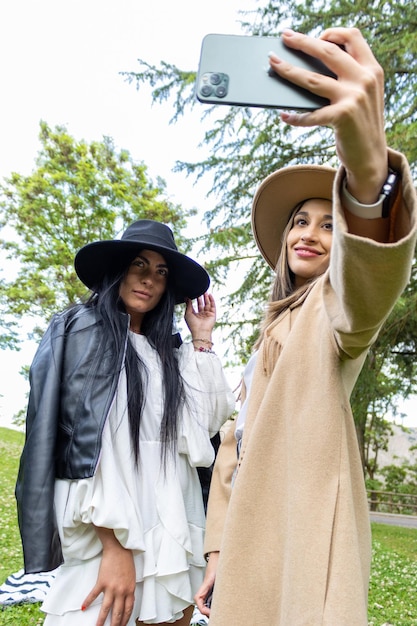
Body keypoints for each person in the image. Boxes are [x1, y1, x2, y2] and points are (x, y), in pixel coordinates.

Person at [194, 27, 417, 625]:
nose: (309, 233)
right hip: (247, 546)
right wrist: (218, 549)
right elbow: (233, 451)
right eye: (300, 220)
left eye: (328, 222)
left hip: (302, 549)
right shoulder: (273, 327)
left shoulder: (333, 311)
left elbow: (365, 289)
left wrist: (367, 175)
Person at [15, 219, 236, 626]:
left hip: (172, 521)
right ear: (118, 269)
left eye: (161, 272)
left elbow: (202, 430)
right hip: (112, 531)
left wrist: (201, 338)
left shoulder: (167, 353)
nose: (149, 279)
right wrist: (112, 546)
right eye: (139, 264)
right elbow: (76, 446)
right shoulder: (80, 330)